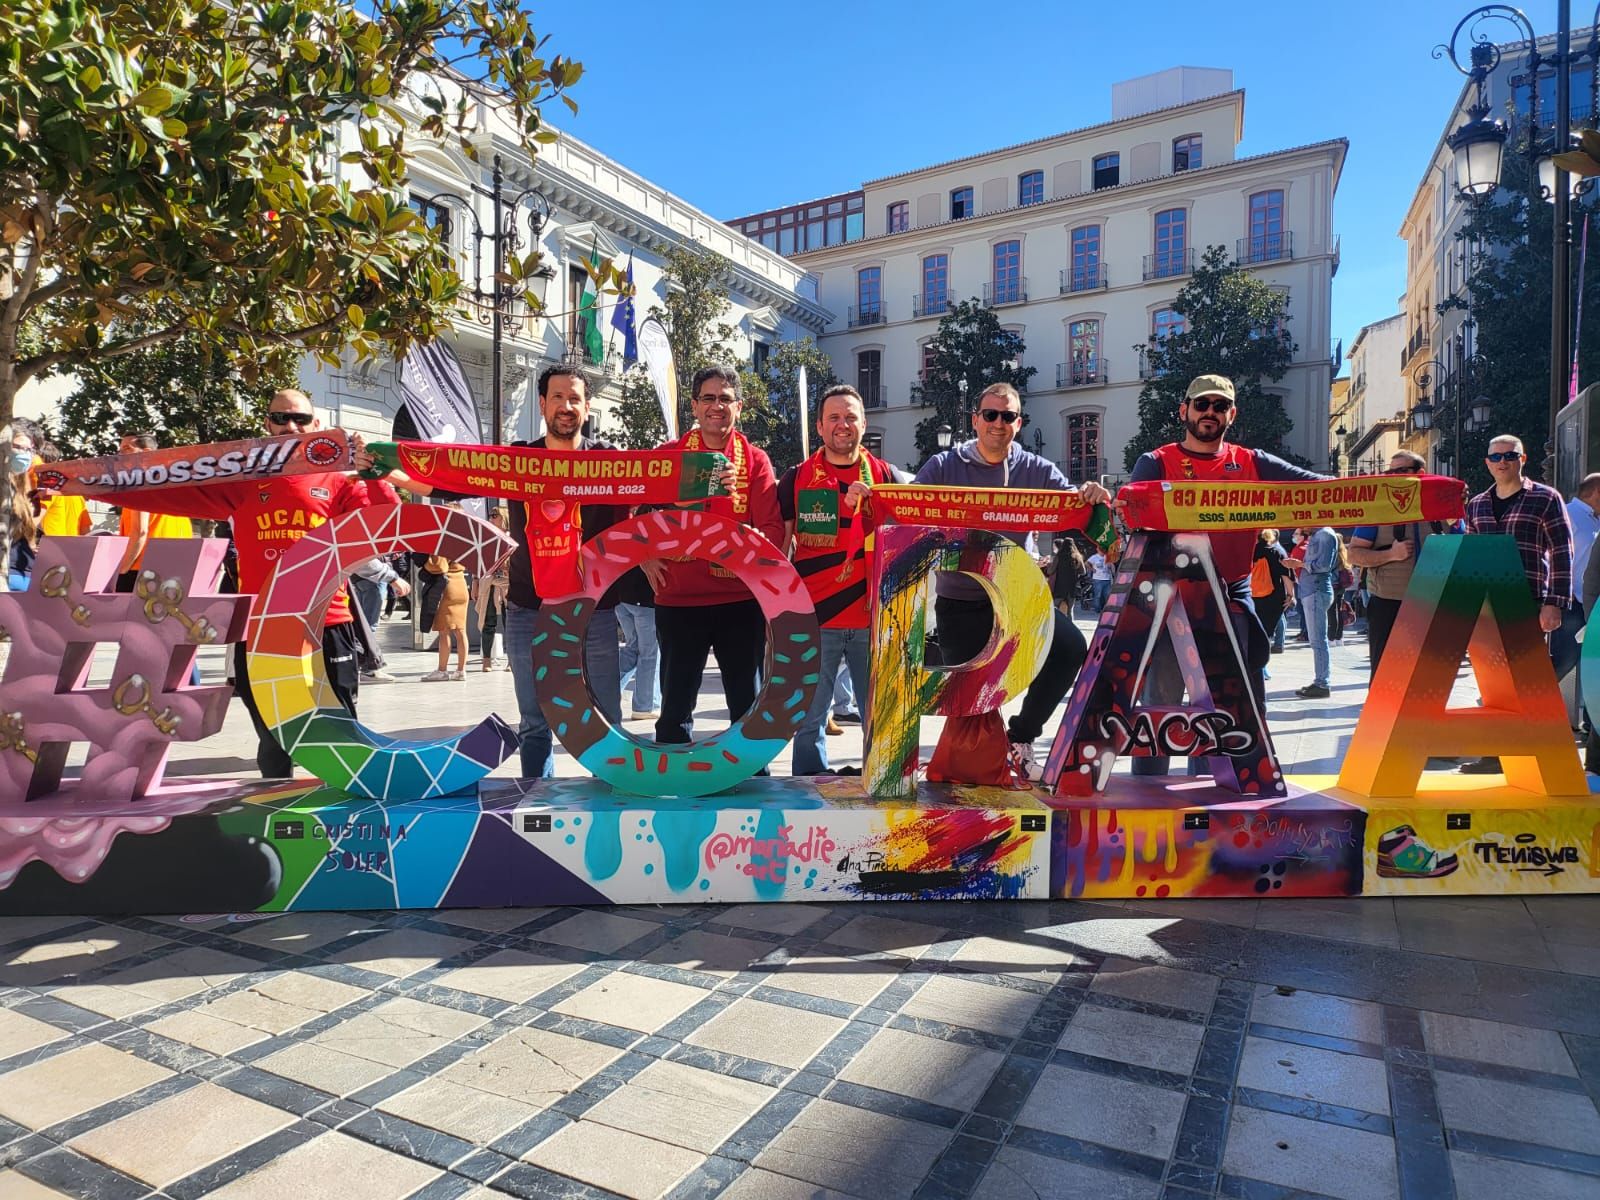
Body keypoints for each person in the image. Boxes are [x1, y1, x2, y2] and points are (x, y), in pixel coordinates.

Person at [96, 390, 400, 776]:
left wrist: (373, 472)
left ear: (317, 425)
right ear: (266, 424)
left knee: (339, 734)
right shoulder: (242, 478)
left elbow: (385, 528)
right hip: (262, 626)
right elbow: (165, 490)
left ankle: (342, 824)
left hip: (326, 622)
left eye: (301, 419)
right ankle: (276, 826)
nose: (291, 426)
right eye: (280, 418)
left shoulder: (339, 480)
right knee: (274, 740)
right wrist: (82, 481)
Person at [912, 382, 1112, 780]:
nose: (998, 423)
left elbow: (1073, 504)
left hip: (1018, 600)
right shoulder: (944, 465)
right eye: (990, 415)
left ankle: (1021, 738)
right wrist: (871, 498)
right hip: (961, 603)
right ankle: (967, 774)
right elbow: (909, 508)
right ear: (976, 420)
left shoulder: (1034, 469)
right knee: (976, 701)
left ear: (1018, 423)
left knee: (1071, 647)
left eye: (1007, 416)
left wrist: (1092, 494)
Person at [1125, 374, 1327, 710]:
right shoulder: (1155, 463)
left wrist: (1399, 489)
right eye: (1202, 404)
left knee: (1236, 713)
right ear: (1184, 410)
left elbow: (1323, 491)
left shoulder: (1253, 462)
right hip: (1170, 601)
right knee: (1159, 712)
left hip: (1231, 597)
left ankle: (1224, 762)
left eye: (1220, 406)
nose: (1210, 412)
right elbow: (1135, 528)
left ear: (1231, 415)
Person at [646, 365, 782, 752]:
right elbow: (637, 516)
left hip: (738, 602)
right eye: (708, 398)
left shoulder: (755, 461)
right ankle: (674, 791)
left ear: (738, 407)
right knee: (674, 709)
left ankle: (754, 785)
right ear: (694, 405)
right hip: (677, 599)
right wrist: (645, 558)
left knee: (746, 706)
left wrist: (748, 547)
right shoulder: (668, 456)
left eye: (725, 399)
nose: (716, 406)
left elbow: (772, 530)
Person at [503, 365, 626, 778]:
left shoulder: (609, 460)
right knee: (534, 723)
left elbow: (654, 496)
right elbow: (455, 478)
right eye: (557, 397)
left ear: (588, 407)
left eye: (575, 398)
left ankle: (614, 798)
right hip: (528, 608)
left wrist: (707, 480)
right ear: (542, 404)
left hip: (596, 609)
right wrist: (388, 466)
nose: (566, 406)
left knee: (607, 717)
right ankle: (537, 803)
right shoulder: (519, 458)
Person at [778, 384, 900, 776]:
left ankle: (880, 791)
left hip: (870, 622)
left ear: (864, 424)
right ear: (819, 426)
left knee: (878, 721)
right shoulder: (795, 479)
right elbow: (781, 552)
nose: (842, 425)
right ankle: (808, 797)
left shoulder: (888, 477)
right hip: (815, 621)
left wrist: (877, 503)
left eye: (850, 417)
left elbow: (905, 542)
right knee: (809, 720)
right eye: (834, 417)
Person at [1459, 433, 1575, 774]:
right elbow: (1472, 553)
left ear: (1522, 459)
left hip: (1527, 600)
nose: (1502, 462)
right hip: (1486, 605)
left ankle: (1535, 752)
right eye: (1495, 457)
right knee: (1493, 682)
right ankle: (1497, 752)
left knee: (1525, 680)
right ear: (1487, 463)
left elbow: (1562, 553)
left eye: (1509, 456)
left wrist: (1555, 602)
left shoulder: (1545, 498)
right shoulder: (1478, 504)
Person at [1348, 451, 1453, 678]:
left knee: (1429, 677)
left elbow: (1465, 544)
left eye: (1400, 471)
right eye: (1390, 472)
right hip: (1388, 603)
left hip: (1432, 602)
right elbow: (1353, 555)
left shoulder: (1444, 508)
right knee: (1384, 677)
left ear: (1420, 473)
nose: (1393, 476)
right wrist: (1391, 555)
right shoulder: (1378, 510)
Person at [112, 433, 194, 593]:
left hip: (141, 570)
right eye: (119, 450)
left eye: (127, 449)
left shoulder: (140, 482)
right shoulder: (174, 481)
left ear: (146, 452)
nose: (120, 455)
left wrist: (120, 571)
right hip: (174, 568)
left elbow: (140, 532)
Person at [1286, 525, 1340, 699]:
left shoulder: (1324, 535)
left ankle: (1322, 683)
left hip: (1316, 591)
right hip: (1313, 591)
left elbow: (1323, 565)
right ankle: (1321, 681)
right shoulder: (1320, 535)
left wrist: (1300, 564)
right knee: (1317, 640)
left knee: (1318, 640)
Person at [614, 565, 659, 716]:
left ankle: (608, 695)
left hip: (621, 596)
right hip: (646, 599)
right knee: (649, 654)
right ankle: (646, 705)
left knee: (632, 647)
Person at [422, 549, 469, 681]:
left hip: (448, 586)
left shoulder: (443, 544)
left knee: (444, 631)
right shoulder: (461, 542)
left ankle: (442, 670)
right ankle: (461, 670)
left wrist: (426, 563)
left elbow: (439, 566)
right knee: (461, 630)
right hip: (461, 583)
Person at [474, 507, 510, 672]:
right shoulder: (487, 538)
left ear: (504, 517)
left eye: (495, 515)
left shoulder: (511, 539)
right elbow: (478, 562)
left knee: (509, 623)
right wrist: (475, 582)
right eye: (490, 515)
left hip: (507, 584)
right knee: (488, 622)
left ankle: (511, 661)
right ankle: (486, 660)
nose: (491, 518)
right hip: (489, 582)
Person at [32, 442, 91, 539]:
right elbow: (86, 531)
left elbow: (32, 522)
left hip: (53, 548)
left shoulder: (46, 489)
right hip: (73, 549)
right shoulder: (75, 494)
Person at [6, 425, 39, 591]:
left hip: (24, 574)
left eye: (28, 450)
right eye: (17, 447)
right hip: (8, 575)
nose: (24, 454)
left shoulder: (20, 490)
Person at [1250, 529, 1292, 656]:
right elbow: (1286, 576)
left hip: (1252, 596)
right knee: (1267, 632)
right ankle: (1263, 665)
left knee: (1255, 631)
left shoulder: (1250, 552)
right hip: (1274, 597)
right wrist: (1290, 595)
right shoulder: (1277, 552)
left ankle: (1259, 668)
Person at [1051, 537, 1086, 617]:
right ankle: (1070, 627)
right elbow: (1083, 572)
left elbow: (1050, 571)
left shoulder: (1059, 557)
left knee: (1055, 609)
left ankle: (1056, 627)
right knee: (1070, 611)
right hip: (1072, 588)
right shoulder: (1077, 557)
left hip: (1060, 588)